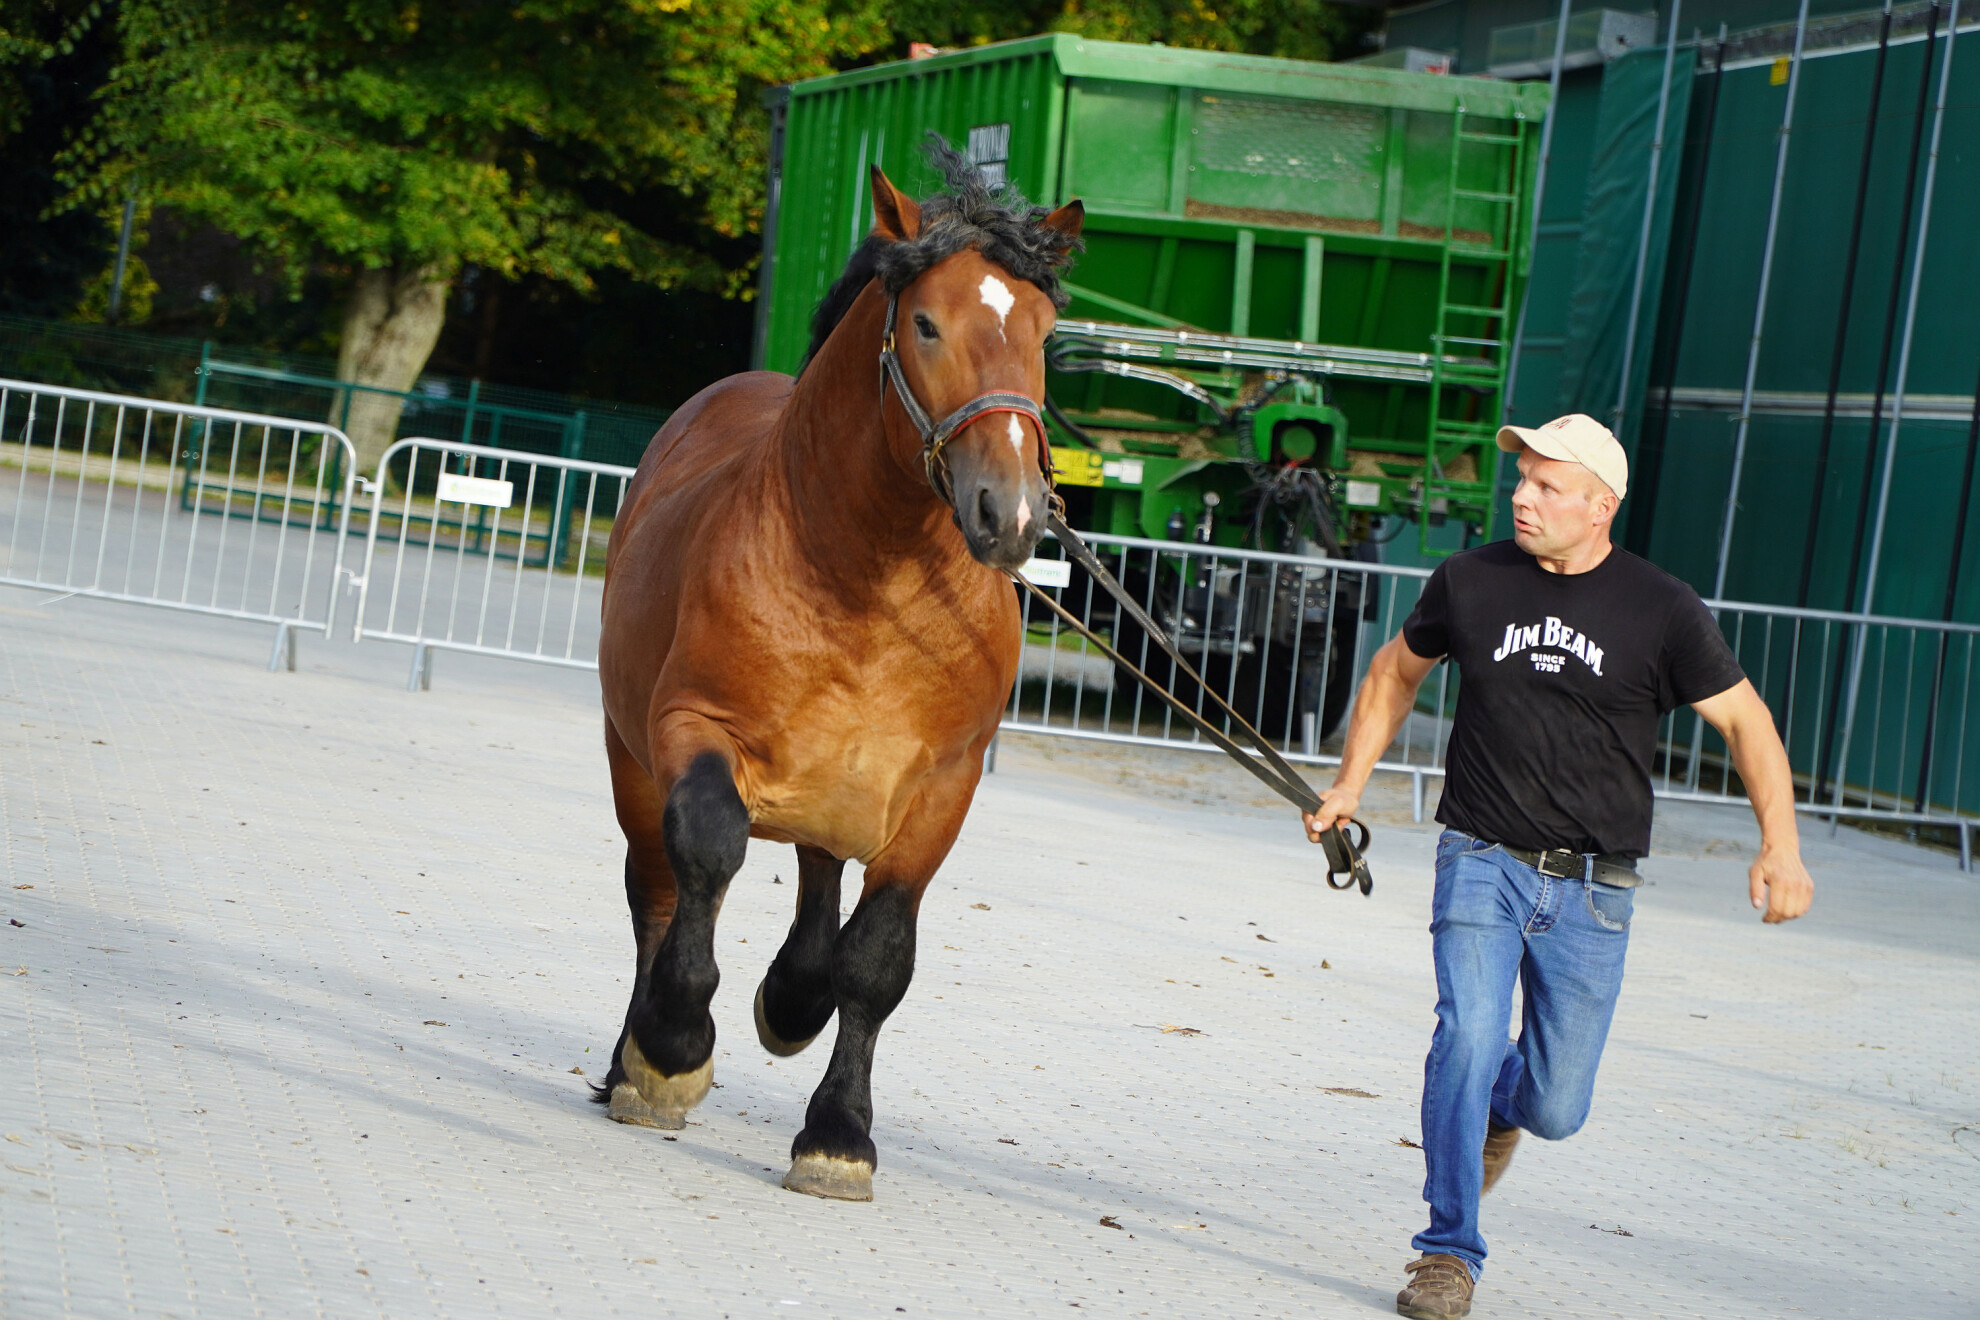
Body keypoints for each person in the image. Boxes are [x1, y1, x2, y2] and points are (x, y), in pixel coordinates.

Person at [1303, 414, 1814, 1320]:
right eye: (1523, 479)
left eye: (1547, 485)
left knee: (1557, 1106)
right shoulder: (1471, 580)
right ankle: (1447, 1251)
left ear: (1601, 505)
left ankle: (1503, 1106)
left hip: (1594, 888)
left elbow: (1746, 722)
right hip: (1480, 856)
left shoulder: (1661, 608)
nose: (1522, 497)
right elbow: (1392, 674)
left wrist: (1781, 844)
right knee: (1466, 1036)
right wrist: (1349, 785)